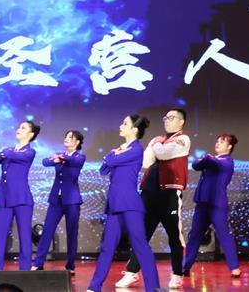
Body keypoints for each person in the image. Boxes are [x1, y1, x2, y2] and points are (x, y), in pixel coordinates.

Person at [116, 108, 190, 289]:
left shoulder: (183, 139)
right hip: (149, 192)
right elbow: (147, 161)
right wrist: (157, 147)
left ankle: (177, 273)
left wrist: (156, 146)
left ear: (181, 122)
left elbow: (164, 153)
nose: (167, 120)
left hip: (170, 193)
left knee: (174, 235)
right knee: (141, 234)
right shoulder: (158, 139)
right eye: (166, 118)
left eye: (171, 118)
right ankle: (132, 272)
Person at [87, 115, 160, 292]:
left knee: (140, 245)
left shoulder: (136, 149)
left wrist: (112, 155)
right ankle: (94, 287)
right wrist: (114, 153)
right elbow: (103, 169)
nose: (121, 126)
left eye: (125, 123)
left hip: (129, 204)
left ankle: (153, 288)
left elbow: (109, 161)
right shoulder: (121, 149)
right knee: (107, 248)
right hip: (114, 205)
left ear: (134, 129)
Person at [0, 121, 39, 288]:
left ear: (31, 134)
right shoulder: (10, 151)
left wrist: (5, 153)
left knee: (24, 236)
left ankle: (25, 273)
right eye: (19, 127)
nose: (19, 129)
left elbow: (13, 156)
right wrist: (5, 153)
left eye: (23, 128)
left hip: (22, 199)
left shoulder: (29, 152)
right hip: (4, 199)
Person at [182, 134, 241, 278]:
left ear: (229, 147)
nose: (218, 143)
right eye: (217, 141)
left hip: (216, 204)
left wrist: (207, 158)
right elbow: (196, 165)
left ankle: (234, 268)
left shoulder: (227, 162)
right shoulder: (211, 160)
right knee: (194, 235)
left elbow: (215, 163)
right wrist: (205, 159)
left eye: (222, 142)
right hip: (203, 204)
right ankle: (185, 266)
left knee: (223, 234)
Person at [31, 130, 86, 275]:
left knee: (71, 232)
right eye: (65, 136)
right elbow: (45, 162)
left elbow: (74, 161)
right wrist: (55, 159)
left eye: (70, 137)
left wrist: (60, 158)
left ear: (77, 142)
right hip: (56, 199)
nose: (66, 139)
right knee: (47, 230)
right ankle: (38, 263)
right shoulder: (59, 155)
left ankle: (70, 265)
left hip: (72, 200)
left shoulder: (79, 157)